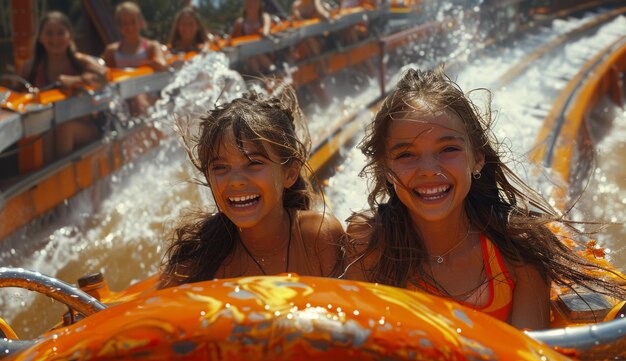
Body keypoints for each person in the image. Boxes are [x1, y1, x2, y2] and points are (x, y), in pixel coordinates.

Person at [343, 68, 626, 330]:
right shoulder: (368, 242)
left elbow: (526, 353)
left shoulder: (519, 249)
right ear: (386, 169)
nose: (428, 170)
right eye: (406, 154)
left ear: (477, 159)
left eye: (448, 149)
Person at [158, 86, 345, 288]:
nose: (236, 180)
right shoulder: (196, 260)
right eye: (220, 167)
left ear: (290, 173)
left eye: (254, 163)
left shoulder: (318, 237)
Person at [19, 11, 106, 162]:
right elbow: (18, 91)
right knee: (44, 130)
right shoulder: (32, 67)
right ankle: (44, 177)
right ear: (40, 37)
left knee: (63, 128)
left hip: (83, 125)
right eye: (49, 33)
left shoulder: (78, 60)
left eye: (60, 33)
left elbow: (103, 78)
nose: (55, 39)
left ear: (70, 35)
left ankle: (61, 175)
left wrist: (76, 80)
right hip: (47, 126)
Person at [102, 1, 167, 116]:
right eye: (124, 23)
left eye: (133, 22)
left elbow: (162, 65)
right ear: (120, 26)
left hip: (149, 94)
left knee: (138, 98)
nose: (129, 27)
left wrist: (138, 66)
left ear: (140, 22)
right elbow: (105, 75)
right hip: (124, 97)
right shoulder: (112, 51)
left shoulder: (151, 46)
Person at [230, 0, 274, 75]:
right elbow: (230, 40)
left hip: (264, 53)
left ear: (259, 3)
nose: (250, 4)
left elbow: (265, 33)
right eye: (247, 2)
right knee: (250, 53)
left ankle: (265, 73)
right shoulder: (240, 23)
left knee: (252, 51)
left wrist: (256, 32)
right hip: (248, 59)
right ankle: (270, 71)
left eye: (253, 1)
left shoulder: (264, 17)